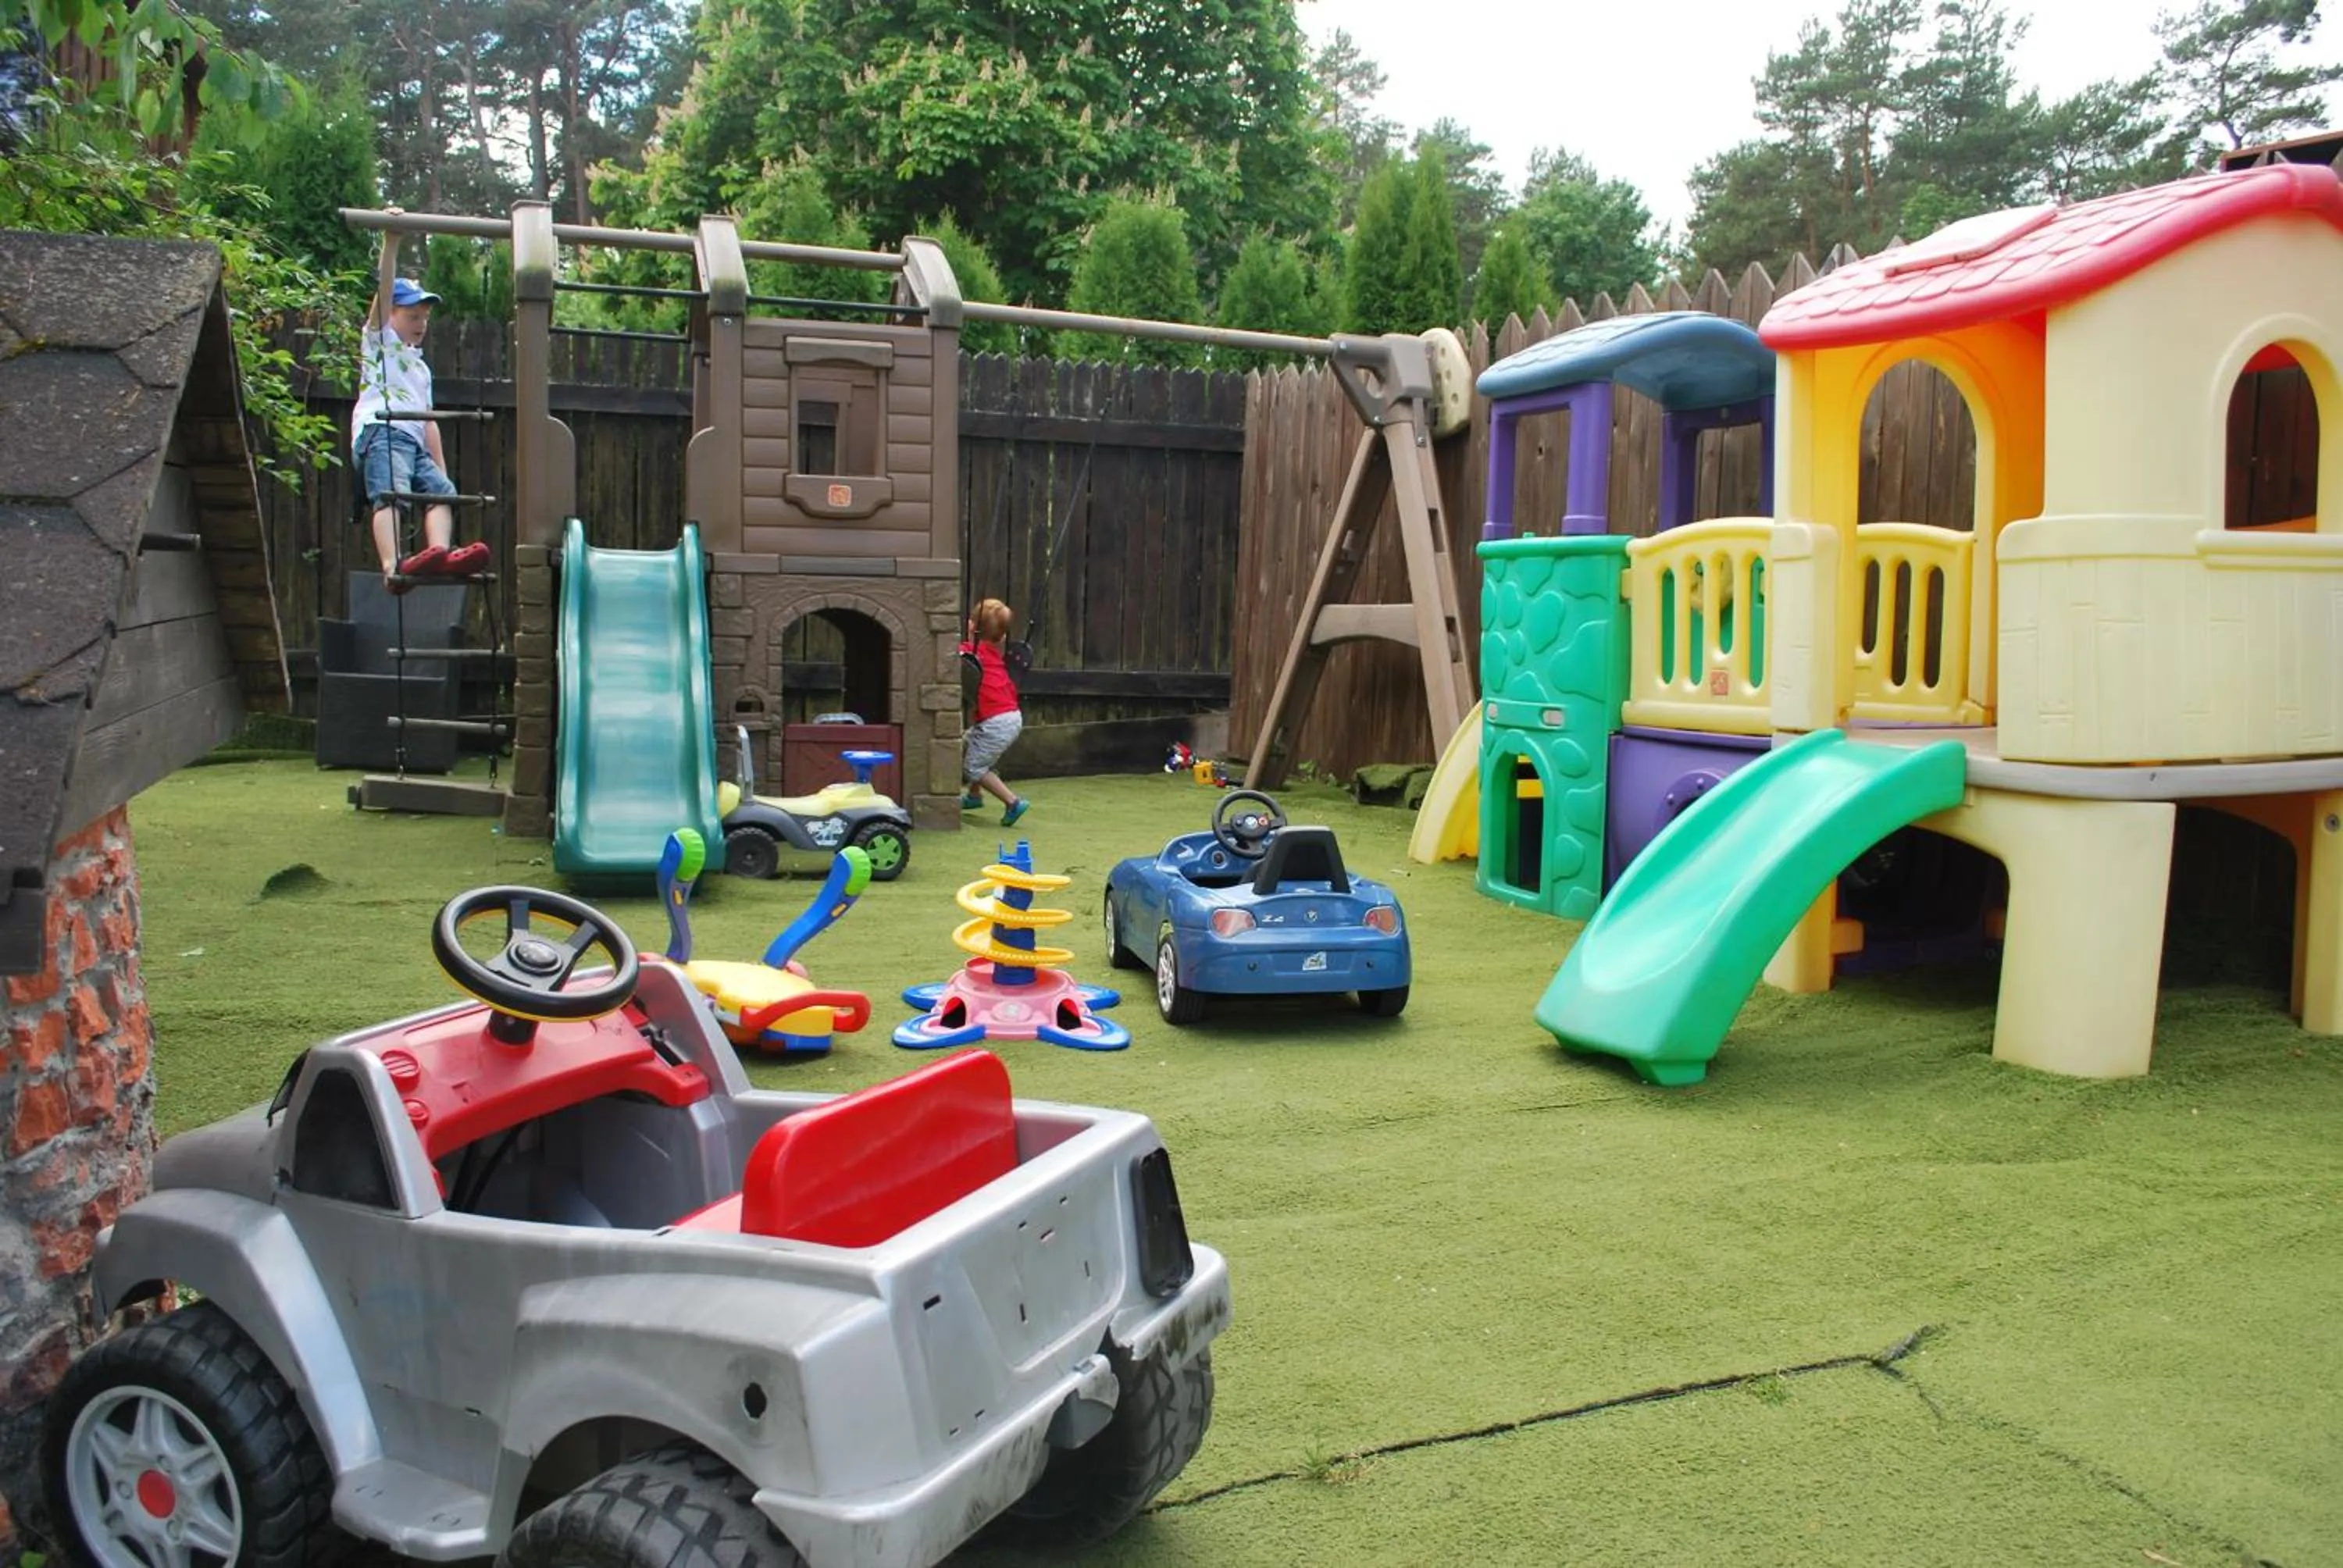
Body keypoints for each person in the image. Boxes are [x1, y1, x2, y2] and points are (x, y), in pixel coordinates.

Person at [351, 232, 488, 595]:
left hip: (412, 442)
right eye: (412, 315)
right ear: (390, 314)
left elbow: (428, 423)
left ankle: (440, 553)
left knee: (442, 493)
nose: (421, 324)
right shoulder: (380, 344)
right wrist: (392, 242)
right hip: (381, 432)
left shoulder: (420, 369)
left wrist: (440, 473)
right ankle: (392, 564)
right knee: (391, 493)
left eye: (425, 317)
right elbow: (382, 287)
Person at [958, 597, 1029, 828]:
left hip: (997, 722)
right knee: (968, 745)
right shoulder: (992, 653)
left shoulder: (968, 653)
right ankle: (974, 796)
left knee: (974, 767)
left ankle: (1012, 802)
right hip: (1007, 717)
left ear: (971, 627)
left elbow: (948, 657)